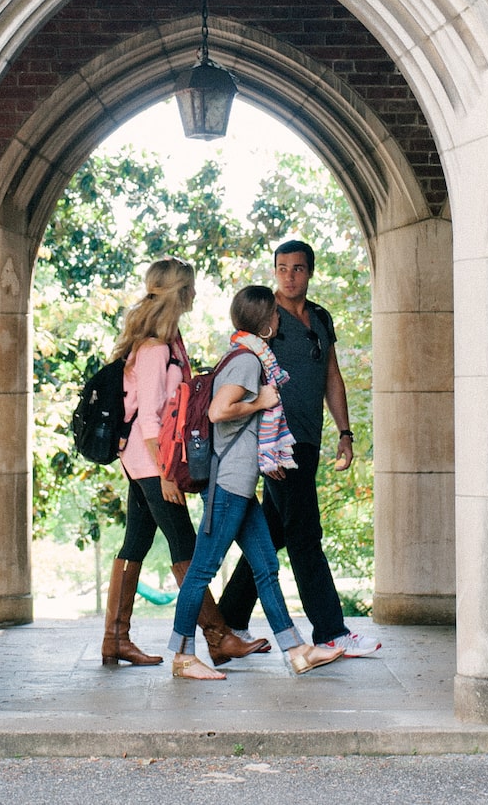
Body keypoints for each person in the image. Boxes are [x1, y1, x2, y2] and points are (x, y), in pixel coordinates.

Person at [166, 285, 345, 680]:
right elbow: (218, 411)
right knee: (201, 571)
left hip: (242, 487)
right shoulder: (247, 361)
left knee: (266, 567)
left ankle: (297, 650)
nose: (280, 320)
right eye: (275, 316)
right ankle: (181, 655)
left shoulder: (250, 356)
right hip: (229, 485)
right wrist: (261, 402)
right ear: (265, 325)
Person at [217, 239, 383, 657]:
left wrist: (345, 433)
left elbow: (332, 376)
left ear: (310, 272)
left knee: (270, 535)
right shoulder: (264, 318)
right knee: (306, 535)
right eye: (282, 268)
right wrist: (264, 450)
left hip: (307, 440)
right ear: (275, 271)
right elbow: (243, 375)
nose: (289, 276)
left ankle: (224, 628)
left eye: (298, 268)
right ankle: (331, 631)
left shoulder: (321, 318)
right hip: (276, 446)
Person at [102, 257, 260, 667]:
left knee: (136, 541)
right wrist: (166, 473)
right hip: (150, 460)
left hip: (141, 459)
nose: (195, 294)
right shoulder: (155, 349)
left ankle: (115, 639)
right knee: (184, 542)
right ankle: (218, 636)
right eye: (190, 287)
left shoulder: (169, 343)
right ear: (179, 292)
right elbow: (151, 420)